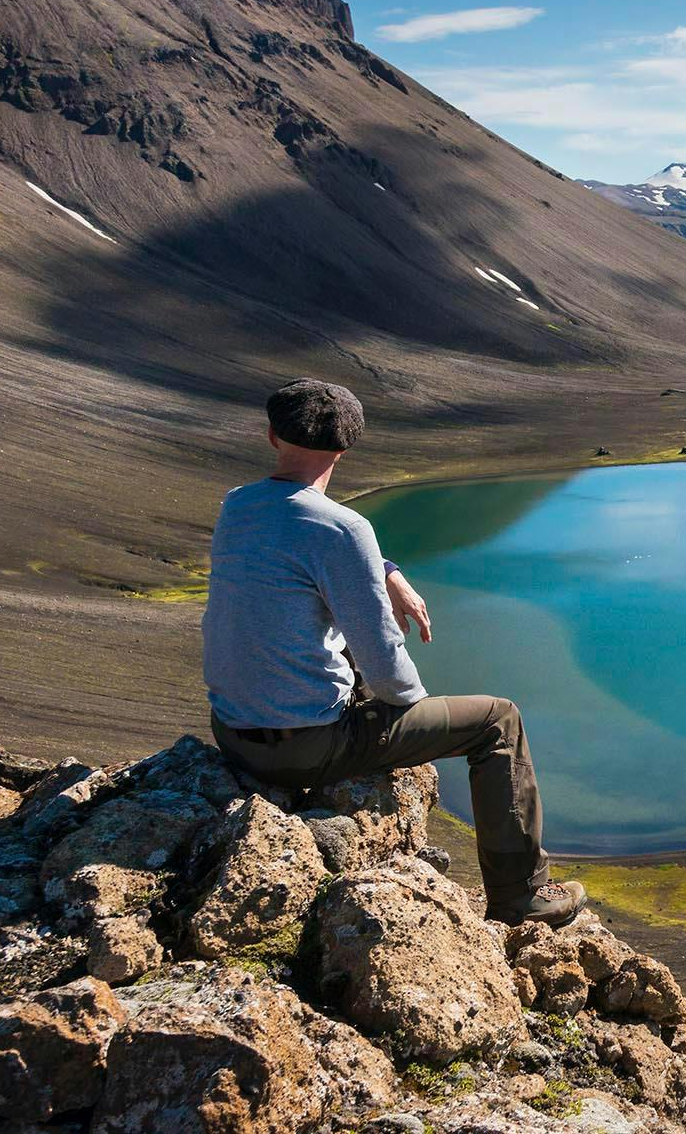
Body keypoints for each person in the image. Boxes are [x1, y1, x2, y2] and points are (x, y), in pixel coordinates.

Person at [201, 378, 581, 928]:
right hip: (303, 747)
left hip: (232, 732)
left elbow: (301, 549)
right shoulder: (345, 528)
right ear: (345, 447)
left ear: (270, 436)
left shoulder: (238, 505)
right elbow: (387, 670)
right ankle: (521, 896)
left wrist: (386, 569)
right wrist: (413, 717)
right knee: (498, 720)